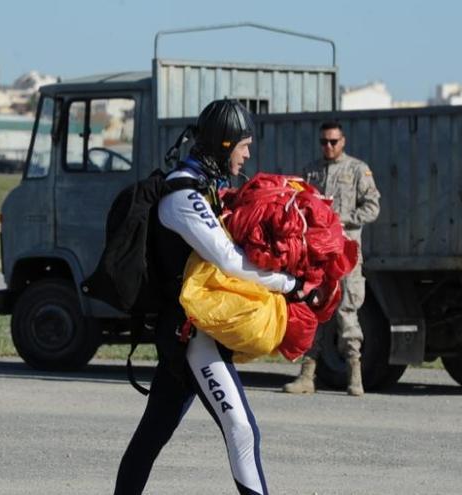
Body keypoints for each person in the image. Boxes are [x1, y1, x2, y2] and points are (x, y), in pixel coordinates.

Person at [114, 99, 307, 495]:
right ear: (223, 144)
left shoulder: (208, 187)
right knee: (241, 429)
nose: (248, 153)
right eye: (243, 145)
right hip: (192, 336)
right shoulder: (184, 195)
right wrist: (290, 284)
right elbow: (228, 259)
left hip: (189, 333)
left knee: (151, 437)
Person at [282, 121, 381, 397]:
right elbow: (299, 204)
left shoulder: (357, 170)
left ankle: (354, 374)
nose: (329, 146)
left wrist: (342, 220)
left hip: (345, 255)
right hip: (317, 256)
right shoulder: (311, 171)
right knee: (314, 310)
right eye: (324, 142)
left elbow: (372, 206)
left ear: (343, 141)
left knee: (347, 311)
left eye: (333, 142)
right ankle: (307, 376)